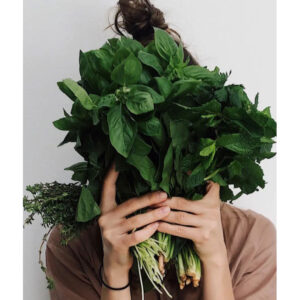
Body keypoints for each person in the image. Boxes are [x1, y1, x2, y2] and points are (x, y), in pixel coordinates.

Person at [46, 1, 276, 299]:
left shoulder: (250, 241)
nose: (161, 176)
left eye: (178, 145)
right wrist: (113, 270)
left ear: (208, 140)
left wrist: (216, 259)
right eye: (145, 151)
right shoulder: (73, 246)